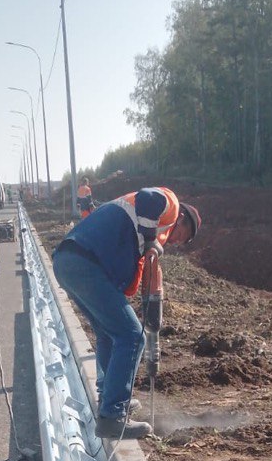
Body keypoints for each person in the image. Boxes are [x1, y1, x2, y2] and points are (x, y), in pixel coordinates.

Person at [52, 186, 201, 439]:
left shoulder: (139, 231)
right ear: (183, 220)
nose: (177, 242)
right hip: (84, 263)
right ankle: (113, 416)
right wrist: (152, 240)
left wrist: (153, 310)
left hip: (68, 261)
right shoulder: (170, 204)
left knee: (109, 334)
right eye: (183, 237)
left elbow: (143, 280)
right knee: (132, 336)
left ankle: (109, 397)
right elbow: (149, 197)